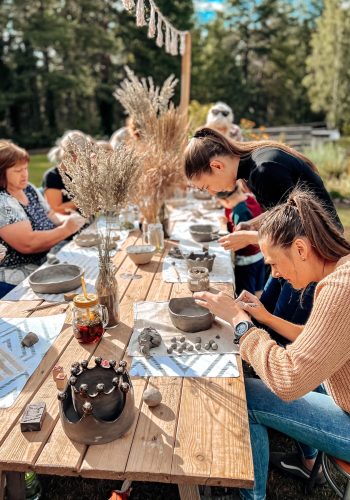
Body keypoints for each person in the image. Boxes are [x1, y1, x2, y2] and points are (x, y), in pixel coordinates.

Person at [194, 189, 350, 500]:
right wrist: (264, 317)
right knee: (274, 369)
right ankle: (308, 463)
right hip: (339, 392)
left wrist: (243, 325)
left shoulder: (339, 290)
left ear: (301, 248)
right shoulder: (343, 267)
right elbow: (319, 342)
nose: (274, 274)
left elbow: (288, 382)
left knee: (249, 396)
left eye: (274, 264)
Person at [0, 140, 85, 298]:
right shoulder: (2, 201)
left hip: (45, 261)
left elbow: (50, 215)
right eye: (18, 171)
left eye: (25, 168)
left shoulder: (28, 188)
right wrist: (66, 229)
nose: (25, 174)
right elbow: (29, 244)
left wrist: (68, 220)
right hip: (17, 276)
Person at [216, 184, 265, 296]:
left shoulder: (239, 212)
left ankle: (248, 313)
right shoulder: (250, 198)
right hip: (259, 255)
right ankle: (257, 309)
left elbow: (239, 237)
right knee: (258, 288)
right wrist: (228, 223)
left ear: (226, 201)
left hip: (246, 261)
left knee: (246, 293)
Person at [43, 130, 89, 214]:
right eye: (71, 153)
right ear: (62, 152)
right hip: (67, 224)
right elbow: (55, 210)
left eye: (80, 153)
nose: (76, 157)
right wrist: (84, 201)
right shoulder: (52, 176)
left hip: (90, 223)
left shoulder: (84, 173)